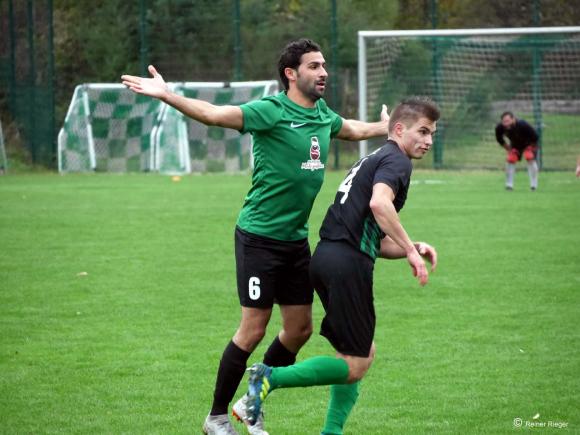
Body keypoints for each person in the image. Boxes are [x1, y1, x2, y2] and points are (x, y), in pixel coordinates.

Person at [122, 38, 390, 435]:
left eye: (324, 66)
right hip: (259, 239)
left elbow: (350, 129)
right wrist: (167, 95)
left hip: (295, 242)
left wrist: (386, 128)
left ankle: (251, 401)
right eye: (314, 66)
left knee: (299, 330)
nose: (323, 73)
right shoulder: (270, 111)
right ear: (291, 73)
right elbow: (214, 115)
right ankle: (215, 417)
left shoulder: (321, 114)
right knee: (254, 328)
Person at [242, 97, 440, 434]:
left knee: (360, 353)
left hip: (328, 257)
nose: (428, 140)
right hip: (347, 265)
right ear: (399, 129)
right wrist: (408, 249)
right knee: (357, 362)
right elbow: (380, 204)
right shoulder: (398, 162)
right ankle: (268, 377)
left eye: (433, 133)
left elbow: (371, 237)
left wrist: (411, 245)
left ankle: (330, 432)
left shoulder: (373, 158)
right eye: (422, 131)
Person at [495, 111, 540, 191]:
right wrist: (509, 149)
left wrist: (530, 148)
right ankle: (509, 185)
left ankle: (534, 186)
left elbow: (535, 137)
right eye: (504, 121)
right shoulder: (500, 127)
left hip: (529, 143)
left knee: (529, 157)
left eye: (508, 121)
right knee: (511, 159)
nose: (506, 124)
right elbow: (500, 140)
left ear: (513, 119)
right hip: (516, 144)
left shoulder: (523, 125)